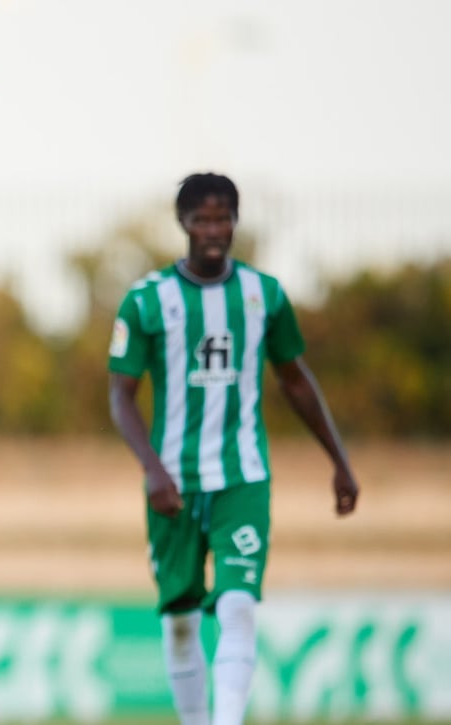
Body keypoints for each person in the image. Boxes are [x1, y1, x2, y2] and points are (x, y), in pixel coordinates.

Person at [107, 172, 360, 725]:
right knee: (180, 620)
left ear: (236, 223)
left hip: (242, 477)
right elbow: (121, 396)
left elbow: (296, 381)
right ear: (184, 225)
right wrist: (152, 470)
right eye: (203, 220)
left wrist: (339, 461)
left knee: (239, 603)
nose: (215, 230)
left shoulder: (263, 295)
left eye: (224, 219)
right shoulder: (148, 301)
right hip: (172, 481)